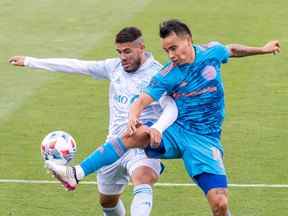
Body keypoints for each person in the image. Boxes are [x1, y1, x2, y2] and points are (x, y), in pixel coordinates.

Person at [35, 21, 280, 216]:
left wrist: (263, 49)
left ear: (188, 40)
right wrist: (134, 117)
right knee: (135, 135)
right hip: (177, 131)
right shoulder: (168, 74)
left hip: (205, 140)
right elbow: (142, 99)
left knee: (220, 203)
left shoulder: (211, 53)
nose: (171, 55)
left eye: (174, 48)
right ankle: (75, 173)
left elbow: (232, 50)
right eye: (166, 50)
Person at [9, 27, 179, 216]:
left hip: (141, 144)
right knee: (107, 202)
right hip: (113, 146)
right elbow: (76, 65)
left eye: (127, 51)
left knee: (143, 178)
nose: (123, 57)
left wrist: (157, 128)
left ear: (141, 47)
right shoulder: (113, 67)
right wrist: (31, 62)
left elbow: (172, 107)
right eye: (119, 52)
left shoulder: (158, 74)